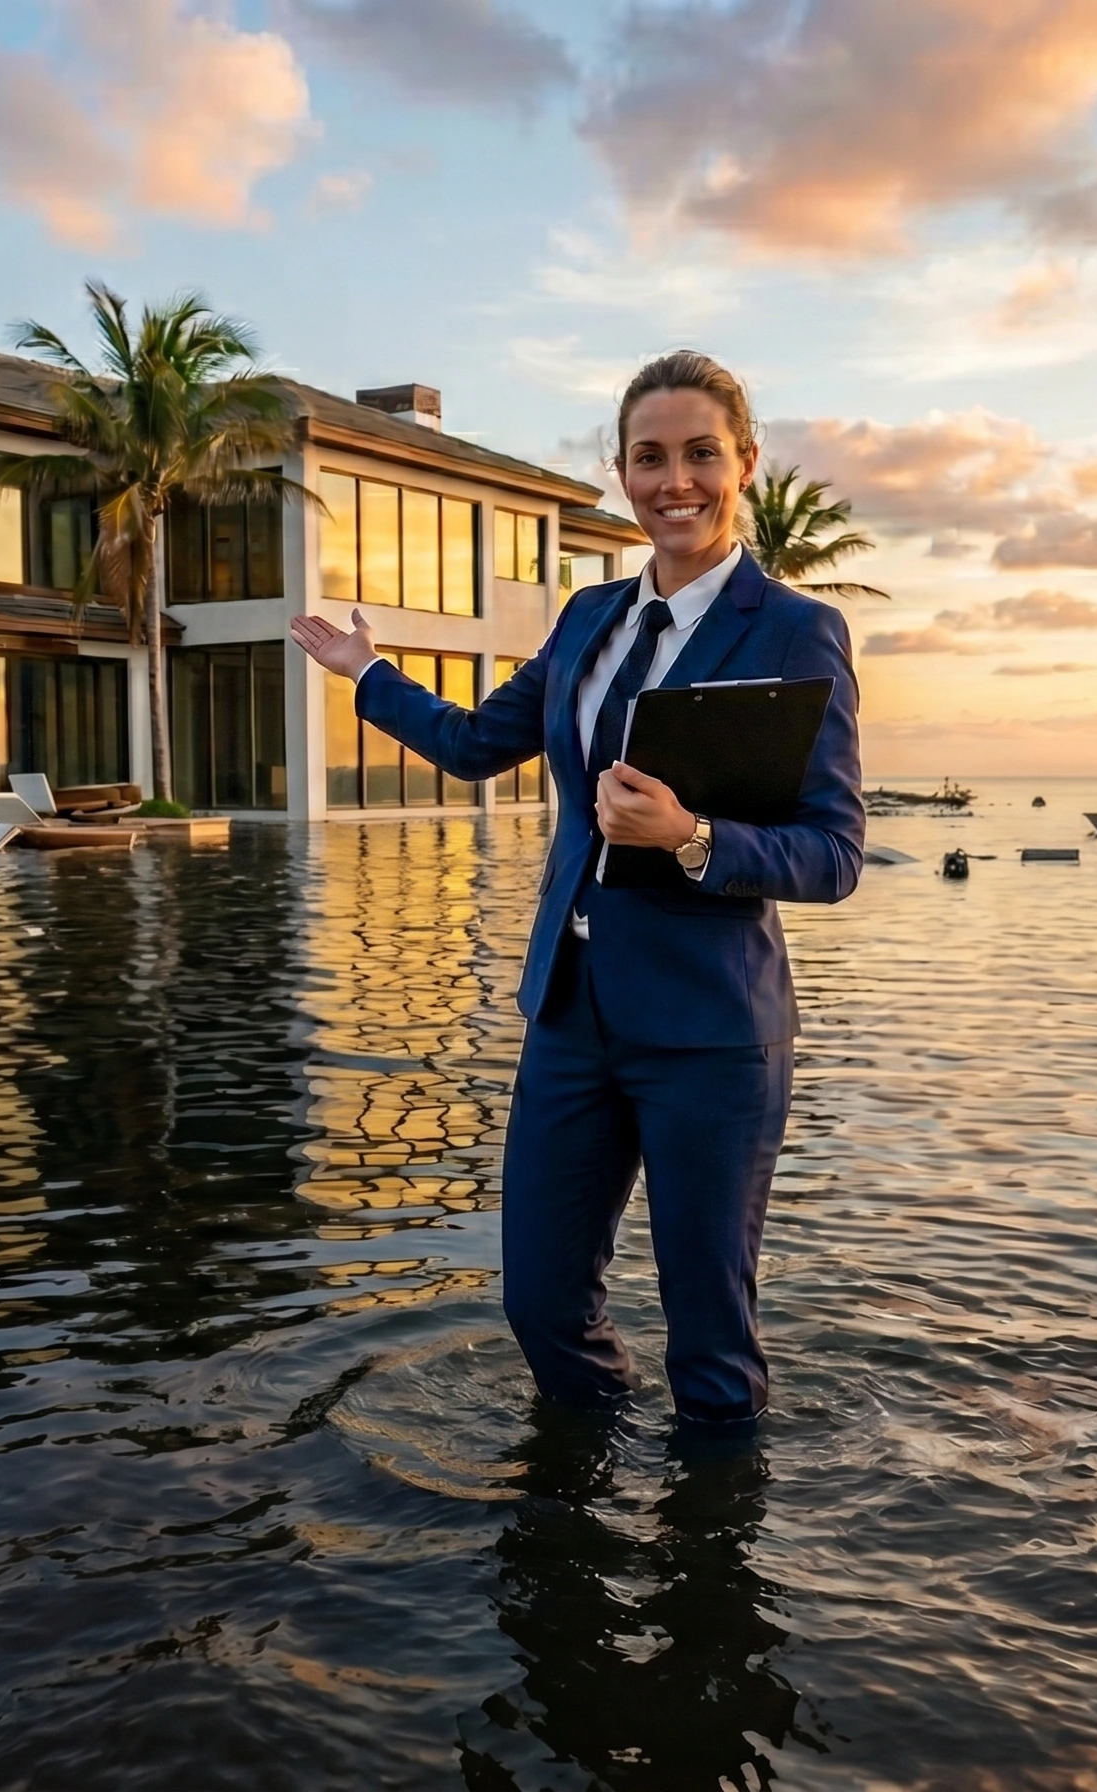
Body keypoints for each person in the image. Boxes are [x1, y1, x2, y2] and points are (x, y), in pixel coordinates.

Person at [289, 350, 863, 1426]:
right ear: (621, 470)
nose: (673, 482)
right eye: (649, 458)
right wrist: (367, 674)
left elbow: (832, 851)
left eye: (700, 454)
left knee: (710, 1339)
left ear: (743, 463)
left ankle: (709, 1561)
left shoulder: (794, 630)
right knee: (541, 1305)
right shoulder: (587, 617)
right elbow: (472, 746)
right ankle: (580, 1500)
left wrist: (692, 835)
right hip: (570, 1013)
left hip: (709, 1025)